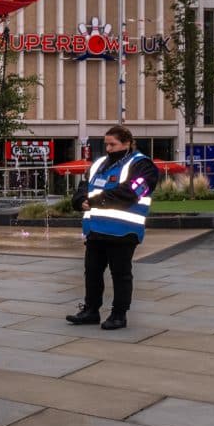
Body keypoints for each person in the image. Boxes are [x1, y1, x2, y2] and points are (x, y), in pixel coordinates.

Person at [66, 126, 158, 330]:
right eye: (106, 144)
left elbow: (130, 193)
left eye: (112, 144)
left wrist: (94, 200)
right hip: (95, 229)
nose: (108, 148)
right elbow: (82, 189)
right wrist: (80, 201)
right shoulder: (98, 164)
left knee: (121, 274)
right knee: (92, 272)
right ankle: (91, 310)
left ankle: (119, 314)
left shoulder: (143, 165)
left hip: (124, 231)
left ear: (127, 143)